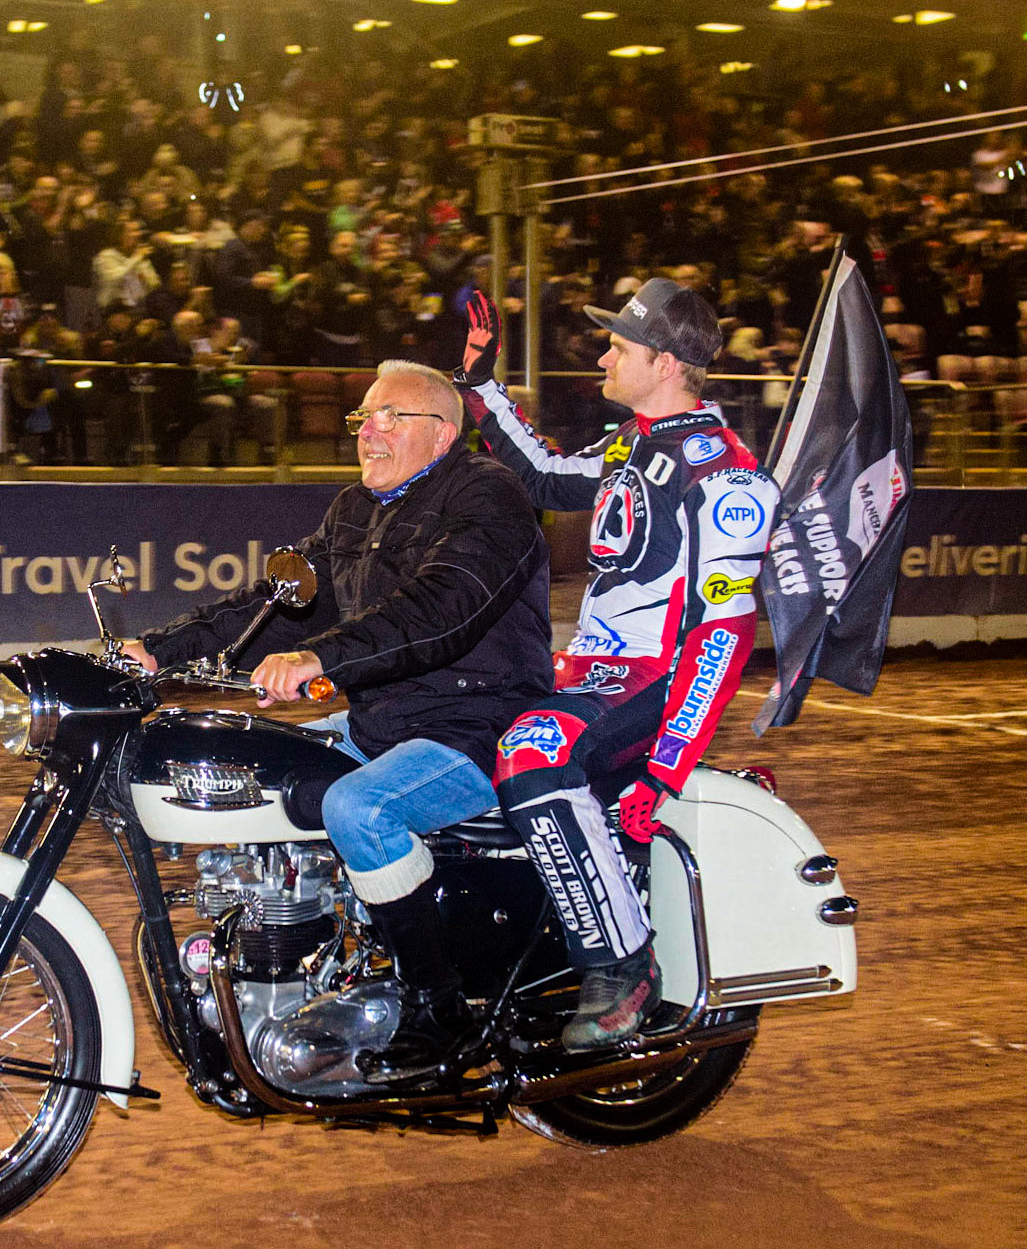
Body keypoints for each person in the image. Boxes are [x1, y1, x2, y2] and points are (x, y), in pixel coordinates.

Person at [123, 359, 553, 1082]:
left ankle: (436, 1007)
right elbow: (274, 605)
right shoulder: (357, 510)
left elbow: (437, 613)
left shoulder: (488, 497)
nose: (368, 431)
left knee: (357, 804)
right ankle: (314, 956)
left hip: (480, 724)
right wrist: (155, 654)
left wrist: (316, 659)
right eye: (363, 418)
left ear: (442, 432)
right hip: (384, 722)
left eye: (391, 416)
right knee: (258, 772)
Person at [457, 279, 779, 1051]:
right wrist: (478, 386)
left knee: (533, 749)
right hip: (592, 672)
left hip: (653, 679)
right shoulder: (629, 444)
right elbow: (540, 475)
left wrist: (666, 768)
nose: (602, 357)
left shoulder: (724, 477)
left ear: (665, 364)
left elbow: (722, 635)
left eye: (619, 347)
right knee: (454, 716)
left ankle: (621, 965)